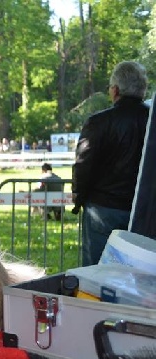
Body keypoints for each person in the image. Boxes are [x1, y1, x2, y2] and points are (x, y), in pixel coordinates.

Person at [72, 60, 149, 266]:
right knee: (141, 275)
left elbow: (83, 165)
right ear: (143, 90)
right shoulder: (152, 121)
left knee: (96, 274)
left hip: (103, 209)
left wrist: (78, 197)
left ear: (114, 90)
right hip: (144, 210)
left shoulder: (98, 122)